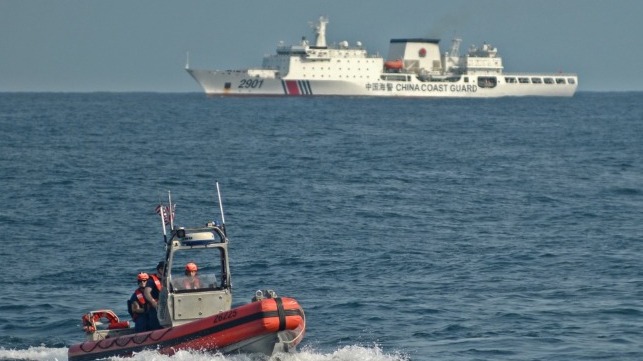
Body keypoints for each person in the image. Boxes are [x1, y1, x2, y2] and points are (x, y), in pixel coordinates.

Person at [143, 261, 165, 330]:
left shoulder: (167, 279)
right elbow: (147, 292)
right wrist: (153, 302)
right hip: (155, 308)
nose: (164, 270)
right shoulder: (151, 280)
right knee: (155, 325)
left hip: (165, 306)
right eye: (162, 268)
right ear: (158, 269)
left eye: (165, 268)